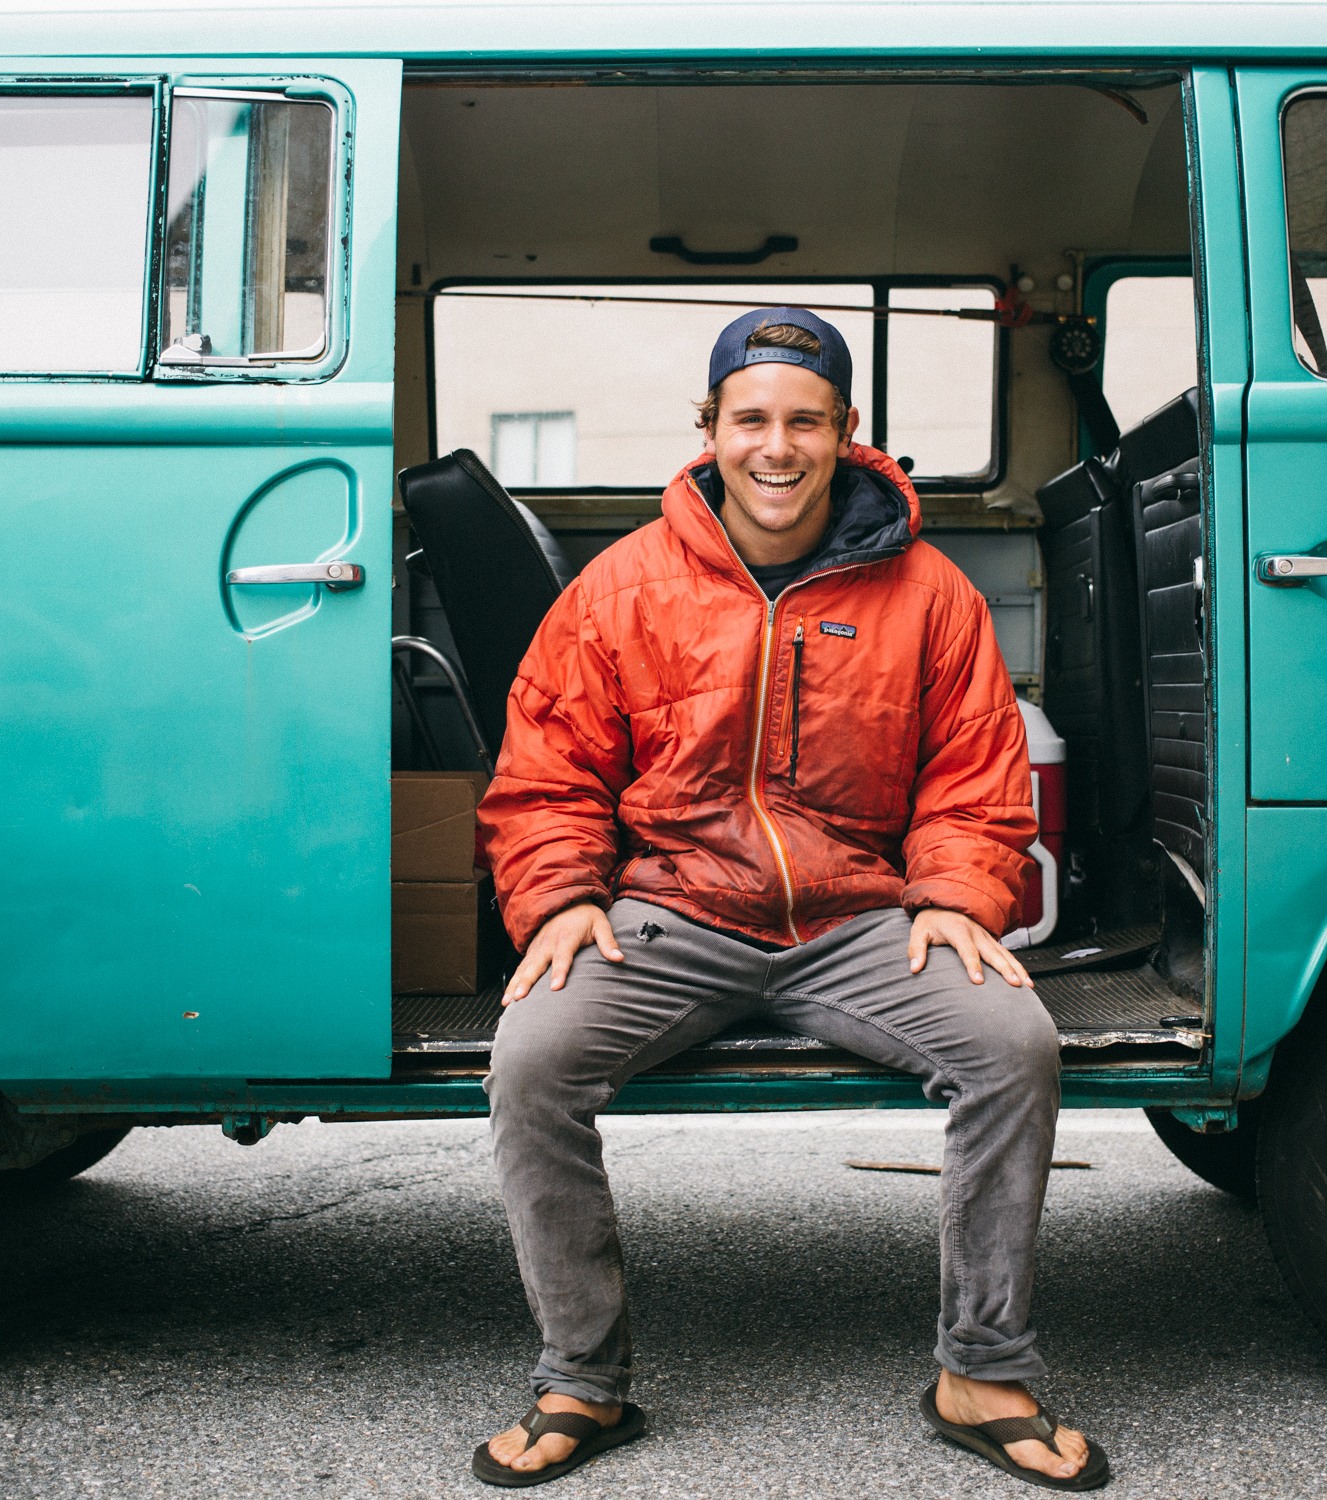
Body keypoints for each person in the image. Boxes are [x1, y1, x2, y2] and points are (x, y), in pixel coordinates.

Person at [469, 307, 1105, 1490]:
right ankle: (582, 1380)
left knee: (1012, 1045)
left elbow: (975, 771)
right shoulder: (622, 588)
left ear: (845, 430)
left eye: (805, 421)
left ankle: (981, 1370)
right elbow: (549, 767)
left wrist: (955, 895)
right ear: (709, 428)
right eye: (750, 418)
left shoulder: (930, 594)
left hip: (859, 918)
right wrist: (559, 897)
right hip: (675, 911)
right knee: (532, 1059)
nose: (777, 446)